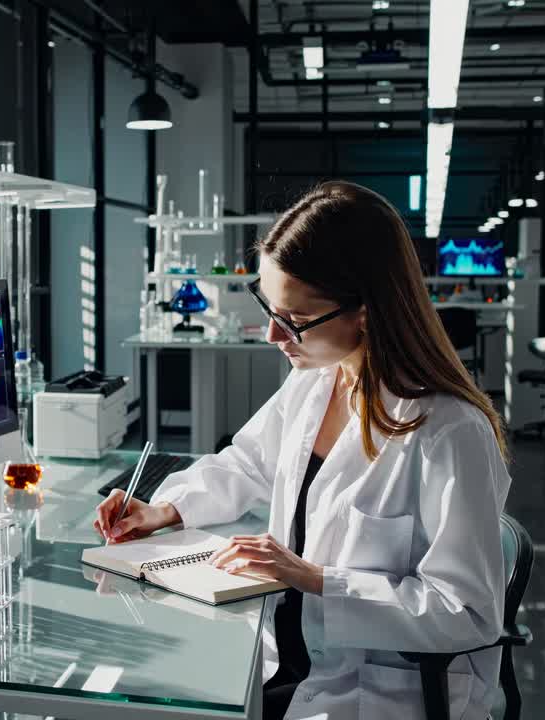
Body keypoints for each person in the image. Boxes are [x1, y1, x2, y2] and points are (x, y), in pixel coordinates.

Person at [94, 181, 512, 720]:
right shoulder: (319, 382)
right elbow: (246, 463)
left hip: (375, 694)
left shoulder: (448, 430)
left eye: (292, 320)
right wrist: (162, 510)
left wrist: (316, 579)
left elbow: (468, 612)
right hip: (286, 661)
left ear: (364, 310)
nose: (272, 334)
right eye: (268, 306)